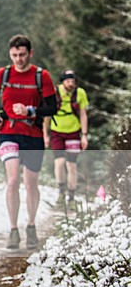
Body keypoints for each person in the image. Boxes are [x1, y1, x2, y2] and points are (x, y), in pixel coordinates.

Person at [0, 35, 58, 250]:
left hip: (33, 134)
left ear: (30, 53)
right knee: (12, 180)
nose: (18, 59)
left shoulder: (41, 76)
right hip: (8, 132)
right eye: (14, 55)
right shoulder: (3, 73)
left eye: (22, 55)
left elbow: (53, 107)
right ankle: (13, 229)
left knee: (30, 183)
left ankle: (31, 225)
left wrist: (31, 110)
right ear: (10, 54)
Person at [43, 69, 89, 206]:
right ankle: (61, 191)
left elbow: (83, 114)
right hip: (57, 132)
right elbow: (47, 114)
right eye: (68, 81)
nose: (70, 84)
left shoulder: (80, 93)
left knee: (72, 165)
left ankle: (71, 196)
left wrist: (84, 135)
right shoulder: (54, 92)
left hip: (74, 132)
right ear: (62, 81)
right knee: (59, 162)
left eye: (73, 81)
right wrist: (45, 134)